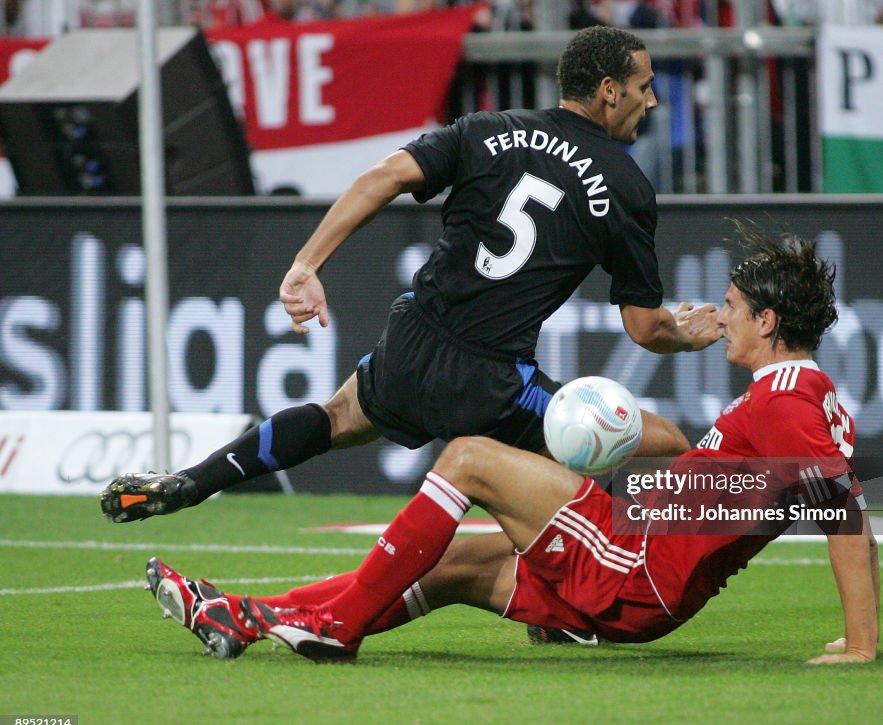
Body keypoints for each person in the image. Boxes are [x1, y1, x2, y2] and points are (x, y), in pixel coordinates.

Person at [145, 224, 880, 665]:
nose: (721, 318)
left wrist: (861, 643)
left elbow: (839, 510)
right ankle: (247, 616)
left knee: (466, 456)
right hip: (639, 568)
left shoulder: (786, 401)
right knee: (456, 560)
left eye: (732, 309)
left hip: (634, 569)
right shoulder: (808, 398)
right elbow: (819, 501)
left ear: (769, 322)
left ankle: (335, 627)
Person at [100, 25, 720, 525]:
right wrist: (687, 333)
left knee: (337, 419)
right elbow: (643, 328)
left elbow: (382, 178)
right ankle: (604, 582)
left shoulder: (487, 130)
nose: (653, 100)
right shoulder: (626, 186)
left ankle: (192, 482)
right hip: (494, 380)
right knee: (664, 441)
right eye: (645, 85)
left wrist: (307, 264)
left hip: (413, 340)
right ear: (609, 90)